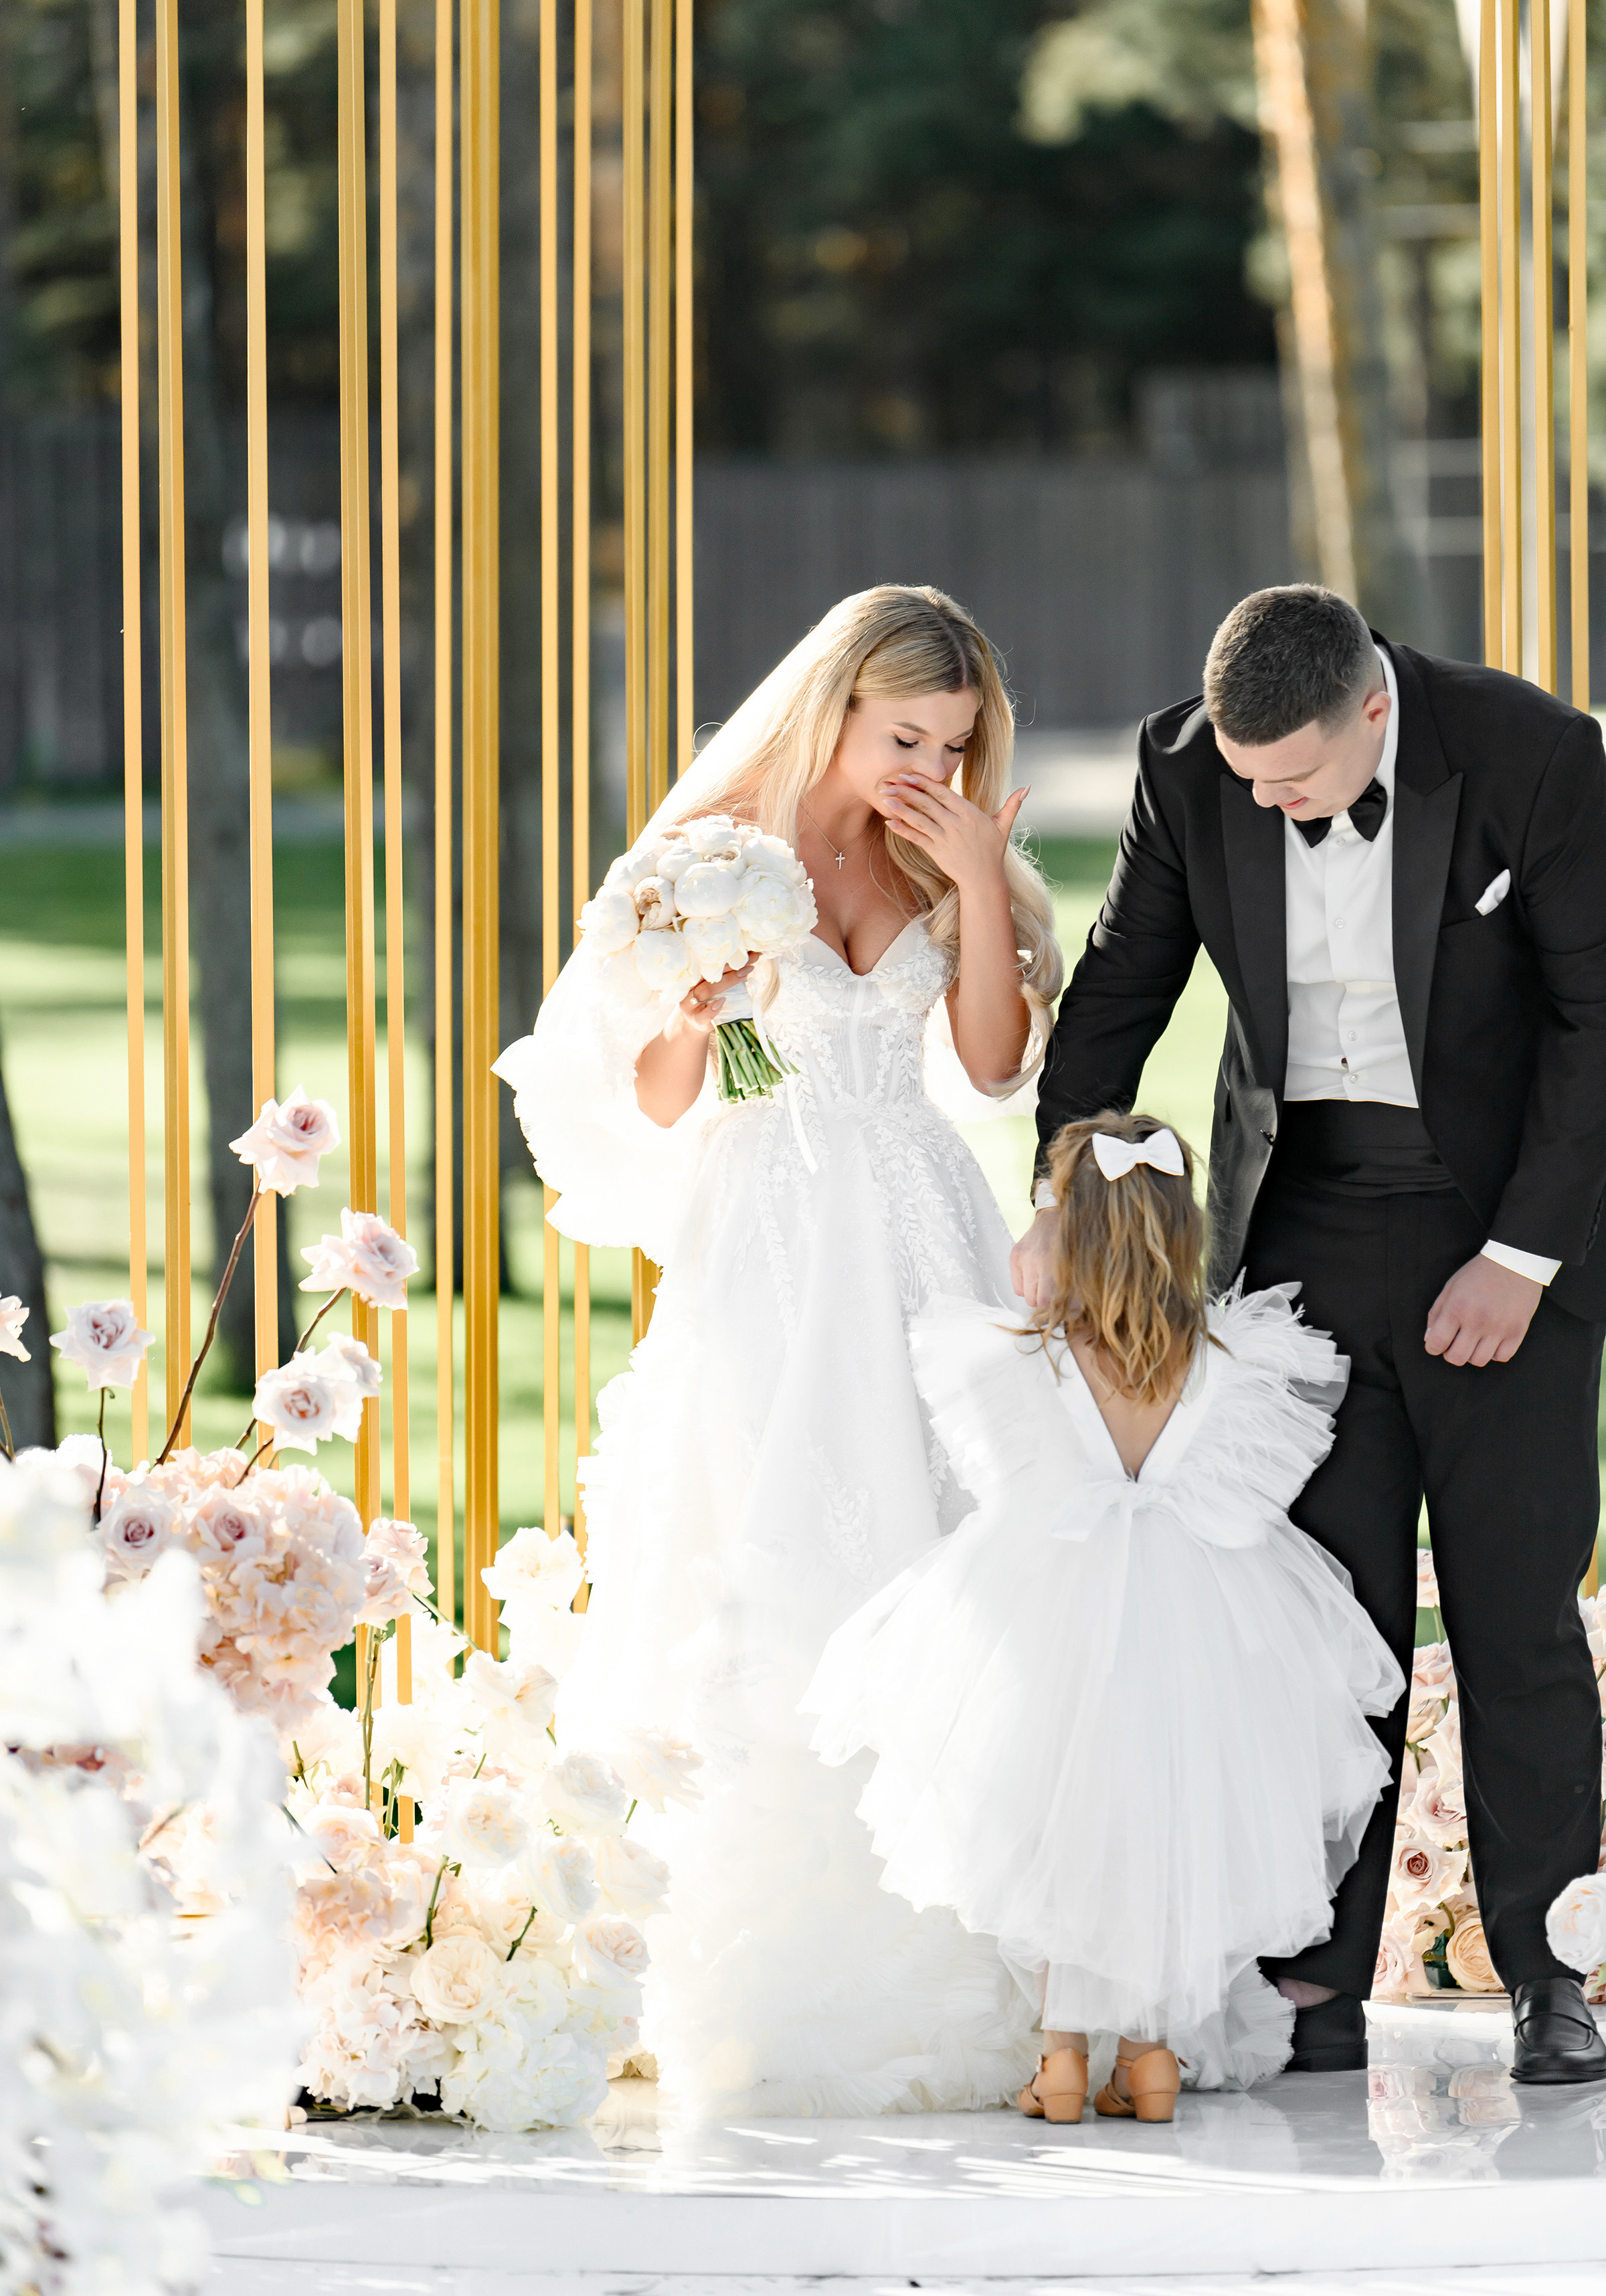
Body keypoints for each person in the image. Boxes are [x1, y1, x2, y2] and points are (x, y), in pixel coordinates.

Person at [1011, 584, 1606, 2086]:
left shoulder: (1535, 756)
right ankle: (1314, 1979)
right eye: (1246, 776)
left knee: (1517, 1613)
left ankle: (1555, 1974)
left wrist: (1520, 1259)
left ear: (1376, 712)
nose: (1265, 802)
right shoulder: (1187, 768)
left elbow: (1601, 1022)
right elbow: (1114, 1000)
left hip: (1502, 1231)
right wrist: (1064, 1200)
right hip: (1306, 1232)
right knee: (1320, 1618)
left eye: (1296, 780)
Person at [495, 583, 1063, 2116]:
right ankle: (723, 1951)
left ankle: (964, 1935)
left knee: (935, 1547)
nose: (926, 766)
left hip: (916, 1222)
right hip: (763, 1236)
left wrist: (986, 880)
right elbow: (665, 1100)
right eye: (902, 735)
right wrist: (696, 1007)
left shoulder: (947, 852)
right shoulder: (713, 854)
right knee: (753, 1538)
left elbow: (1000, 1071)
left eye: (952, 741)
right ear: (834, 709)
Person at [803, 1110, 1403, 2118]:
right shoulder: (1242, 1361)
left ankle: (1063, 2061)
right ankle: (1153, 2060)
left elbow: (1006, 1482)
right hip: (1205, 1619)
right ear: (1185, 1230)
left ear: (1068, 1229)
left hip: (1050, 1607)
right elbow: (1250, 1495)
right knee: (1165, 1826)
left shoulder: (1011, 1359)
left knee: (1054, 1831)